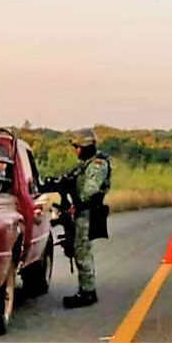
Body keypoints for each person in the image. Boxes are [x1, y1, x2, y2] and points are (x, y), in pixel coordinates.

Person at [62, 128, 111, 308]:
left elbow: (89, 191)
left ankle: (87, 292)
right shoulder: (85, 164)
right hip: (82, 212)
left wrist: (75, 200)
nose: (76, 150)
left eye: (78, 147)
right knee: (77, 249)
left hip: (88, 212)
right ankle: (86, 289)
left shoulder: (97, 165)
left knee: (82, 250)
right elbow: (70, 178)